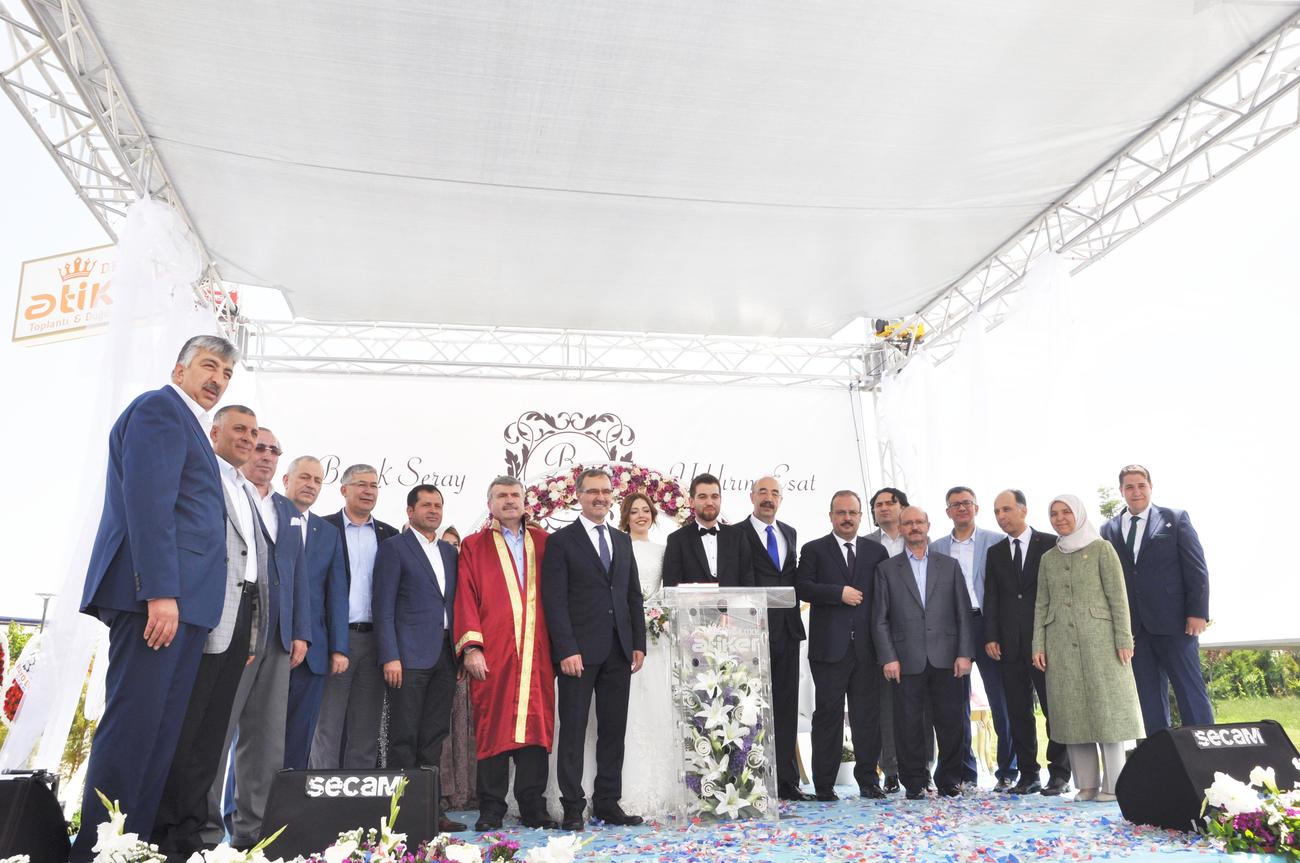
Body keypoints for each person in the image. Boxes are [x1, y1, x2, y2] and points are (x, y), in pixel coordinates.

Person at [73, 335, 237, 863]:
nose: (217, 380)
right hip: (158, 603)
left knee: (159, 739)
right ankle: (97, 851)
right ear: (179, 369)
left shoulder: (191, 424)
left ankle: (132, 849)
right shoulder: (159, 410)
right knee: (134, 730)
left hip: (187, 608)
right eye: (209, 366)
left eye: (226, 374)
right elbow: (149, 505)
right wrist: (161, 593)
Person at [152, 405, 269, 857]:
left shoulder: (246, 489)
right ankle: (164, 832)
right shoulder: (203, 474)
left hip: (240, 622)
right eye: (239, 429)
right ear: (214, 432)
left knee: (211, 736)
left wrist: (251, 634)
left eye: (253, 432)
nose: (248, 439)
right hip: (202, 618)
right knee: (186, 730)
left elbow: (251, 566)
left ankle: (189, 832)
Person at [204, 427, 312, 847]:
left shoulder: (287, 509)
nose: (266, 455)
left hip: (279, 637)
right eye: (260, 447)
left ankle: (254, 833)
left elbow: (298, 574)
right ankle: (205, 831)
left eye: (274, 450)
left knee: (266, 741)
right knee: (217, 734)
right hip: (232, 631)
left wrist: (300, 631)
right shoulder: (229, 493)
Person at [540, 468, 646, 831]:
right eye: (592, 492)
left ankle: (607, 803)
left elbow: (632, 594)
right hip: (578, 655)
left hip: (619, 650)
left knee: (613, 731)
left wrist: (638, 643)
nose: (600, 497)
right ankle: (572, 806)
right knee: (572, 731)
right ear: (579, 496)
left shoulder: (621, 540)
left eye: (605, 491)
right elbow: (554, 601)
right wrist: (566, 649)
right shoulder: (561, 541)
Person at [454, 477, 558, 831]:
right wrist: (472, 647)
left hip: (538, 650)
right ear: (490, 503)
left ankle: (533, 807)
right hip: (494, 652)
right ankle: (491, 808)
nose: (510, 500)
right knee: (492, 727)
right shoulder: (473, 545)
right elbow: (465, 596)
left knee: (536, 728)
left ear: (525, 502)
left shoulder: (545, 543)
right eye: (501, 495)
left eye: (515, 495)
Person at [1033, 494, 1143, 802]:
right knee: (1072, 714)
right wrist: (1038, 644)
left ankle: (1115, 785)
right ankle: (1087, 785)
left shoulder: (1101, 549)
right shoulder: (1048, 558)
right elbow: (1041, 604)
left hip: (1101, 641)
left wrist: (1124, 638)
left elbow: (1118, 597)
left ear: (1079, 514)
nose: (1060, 518)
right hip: (1059, 644)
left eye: (1066, 512)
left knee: (1107, 712)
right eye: (1054, 513)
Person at [373, 485, 465, 832]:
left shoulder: (449, 552)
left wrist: (459, 654)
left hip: (445, 656)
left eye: (438, 505)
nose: (433, 510)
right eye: (426, 505)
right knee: (404, 737)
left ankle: (431, 811)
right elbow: (382, 606)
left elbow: (455, 604)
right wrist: (390, 656)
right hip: (407, 658)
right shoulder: (394, 548)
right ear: (410, 511)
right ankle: (401, 814)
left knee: (434, 736)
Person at [1099, 465, 1213, 734]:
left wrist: (1197, 612)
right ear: (1121, 491)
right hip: (1135, 631)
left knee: (1191, 694)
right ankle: (1162, 755)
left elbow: (1196, 568)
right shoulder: (1108, 530)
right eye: (1129, 487)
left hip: (1176, 625)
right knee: (1149, 703)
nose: (1136, 491)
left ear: (1150, 487)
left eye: (1141, 485)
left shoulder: (1175, 519)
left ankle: (1206, 754)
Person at [872, 506, 974, 800]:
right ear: (900, 528)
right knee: (908, 724)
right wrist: (888, 657)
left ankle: (949, 780)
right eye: (908, 523)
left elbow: (963, 612)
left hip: (947, 657)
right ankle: (914, 782)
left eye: (919, 522)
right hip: (905, 659)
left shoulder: (949, 565)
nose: (914, 527)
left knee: (951, 722)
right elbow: (880, 619)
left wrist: (964, 653)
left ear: (928, 525)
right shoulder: (887, 569)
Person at [796, 490, 890, 800]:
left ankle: (869, 781)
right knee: (828, 717)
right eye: (841, 513)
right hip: (829, 651)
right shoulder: (814, 549)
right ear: (831, 516)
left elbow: (884, 598)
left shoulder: (876, 552)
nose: (847, 518)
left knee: (867, 718)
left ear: (861, 516)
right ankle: (824, 785)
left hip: (867, 650)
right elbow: (803, 587)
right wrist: (838, 593)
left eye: (852, 513)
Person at [311, 464, 400, 769]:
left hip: (376, 642)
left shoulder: (389, 535)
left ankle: (358, 790)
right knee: (328, 726)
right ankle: (323, 791)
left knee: (366, 728)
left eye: (374, 485)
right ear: (343, 489)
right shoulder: (322, 528)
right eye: (361, 484)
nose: (368, 491)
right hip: (336, 640)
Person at [982, 490, 1070, 796]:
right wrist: (991, 636)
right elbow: (991, 596)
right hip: (1009, 644)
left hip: (1045, 641)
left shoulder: (1050, 543)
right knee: (1018, 712)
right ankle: (1028, 774)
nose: (1001, 516)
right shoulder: (995, 552)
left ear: (1023, 510)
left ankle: (1059, 773)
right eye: (997, 511)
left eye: (1006, 509)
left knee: (1053, 709)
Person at [931, 487, 1014, 790]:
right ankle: (965, 772)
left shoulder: (996, 541)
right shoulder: (937, 548)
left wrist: (998, 630)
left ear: (976, 508)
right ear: (948, 512)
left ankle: (1008, 770)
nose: (962, 508)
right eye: (955, 504)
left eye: (967, 503)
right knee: (955, 705)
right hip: (952, 629)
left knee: (1001, 700)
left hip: (988, 626)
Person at [733, 476, 810, 801]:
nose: (768, 498)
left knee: (787, 707)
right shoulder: (735, 533)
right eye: (762, 492)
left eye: (774, 493)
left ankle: (787, 781)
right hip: (751, 632)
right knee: (750, 708)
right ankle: (751, 779)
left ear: (781, 499)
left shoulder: (789, 532)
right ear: (751, 497)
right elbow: (734, 582)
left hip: (787, 631)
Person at [281, 456, 349, 770]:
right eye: (304, 477)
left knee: (300, 737)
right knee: (256, 737)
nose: (311, 485)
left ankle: (290, 798)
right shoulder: (269, 515)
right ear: (286, 480)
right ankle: (241, 802)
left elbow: (335, 594)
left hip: (314, 654)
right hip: (272, 646)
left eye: (317, 480)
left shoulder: (328, 532)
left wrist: (339, 648)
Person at [615, 490, 679, 816]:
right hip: (623, 634)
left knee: (656, 705)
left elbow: (667, 591)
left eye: (646, 510)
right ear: (625, 517)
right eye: (634, 511)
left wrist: (659, 615)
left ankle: (662, 786)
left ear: (653, 516)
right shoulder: (618, 546)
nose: (641, 515)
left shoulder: (663, 550)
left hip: (656, 637)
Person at [866, 486, 915, 794]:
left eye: (890, 503)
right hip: (881, 634)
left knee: (919, 706)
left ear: (903, 507)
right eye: (878, 504)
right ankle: (891, 771)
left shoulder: (920, 539)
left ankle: (921, 768)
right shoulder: (867, 545)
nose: (884, 508)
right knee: (885, 707)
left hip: (918, 635)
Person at [661, 473, 755, 587]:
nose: (709, 502)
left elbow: (748, 584)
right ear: (691, 501)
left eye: (714, 496)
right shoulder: (676, 540)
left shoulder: (738, 537)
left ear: (720, 500)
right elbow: (671, 588)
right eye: (702, 497)